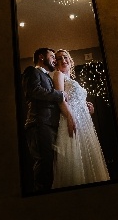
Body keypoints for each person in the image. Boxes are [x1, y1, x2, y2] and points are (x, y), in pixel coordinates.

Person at [51, 49, 110, 188]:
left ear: (70, 60)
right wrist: (70, 117)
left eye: (65, 57)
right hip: (71, 120)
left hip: (84, 122)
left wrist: (89, 109)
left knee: (87, 156)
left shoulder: (72, 79)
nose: (63, 60)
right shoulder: (58, 75)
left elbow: (76, 99)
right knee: (75, 158)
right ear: (56, 63)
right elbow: (60, 100)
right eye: (59, 58)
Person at [22, 47, 75, 193]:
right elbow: (34, 91)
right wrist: (59, 95)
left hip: (51, 125)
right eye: (52, 56)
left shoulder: (49, 78)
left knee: (52, 164)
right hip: (39, 124)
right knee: (44, 163)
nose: (54, 60)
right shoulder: (32, 71)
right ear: (41, 57)